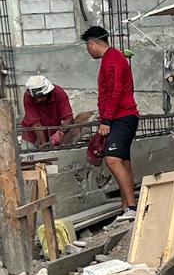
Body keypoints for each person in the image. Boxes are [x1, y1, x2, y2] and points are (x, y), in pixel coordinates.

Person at [80, 25, 139, 222]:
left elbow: (115, 91)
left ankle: (132, 206)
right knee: (123, 161)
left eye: (87, 47)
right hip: (122, 115)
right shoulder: (113, 58)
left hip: (121, 116)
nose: (88, 51)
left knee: (112, 159)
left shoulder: (112, 59)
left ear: (92, 44)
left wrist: (106, 120)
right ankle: (126, 207)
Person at [20, 75, 74, 147]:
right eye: (35, 97)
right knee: (27, 152)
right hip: (32, 134)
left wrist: (59, 133)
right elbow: (36, 124)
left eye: (40, 96)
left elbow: (68, 118)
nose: (38, 100)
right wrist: (44, 144)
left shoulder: (58, 93)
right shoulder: (28, 96)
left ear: (48, 92)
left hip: (53, 132)